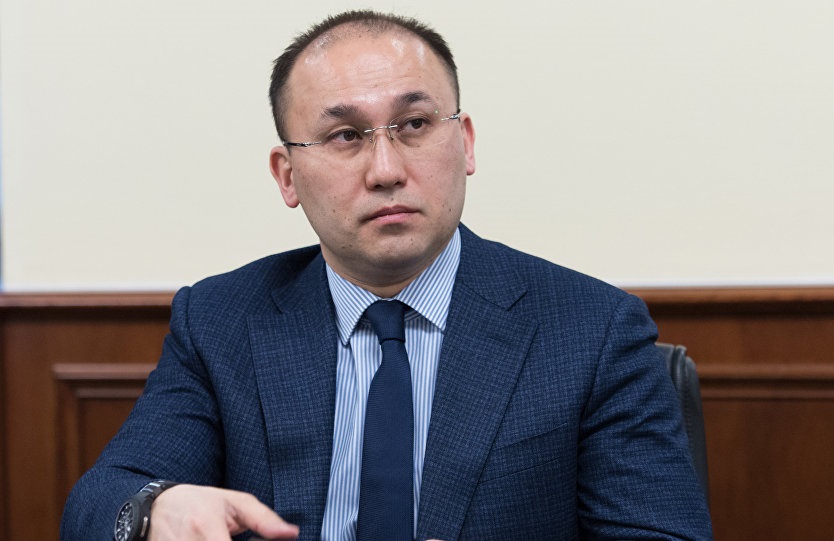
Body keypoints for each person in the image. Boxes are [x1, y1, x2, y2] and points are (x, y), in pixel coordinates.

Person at [61, 9, 712, 541]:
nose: (386, 170)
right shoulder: (220, 321)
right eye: (345, 136)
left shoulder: (592, 330)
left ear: (466, 143)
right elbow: (101, 499)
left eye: (415, 125)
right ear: (288, 176)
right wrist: (155, 508)